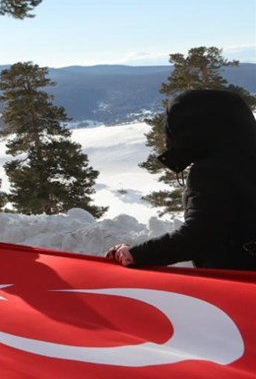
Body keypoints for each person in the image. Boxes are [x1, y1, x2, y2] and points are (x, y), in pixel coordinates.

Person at [107, 89, 256, 271]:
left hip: (238, 279)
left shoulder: (211, 171)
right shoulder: (244, 158)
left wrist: (138, 254)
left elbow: (200, 235)